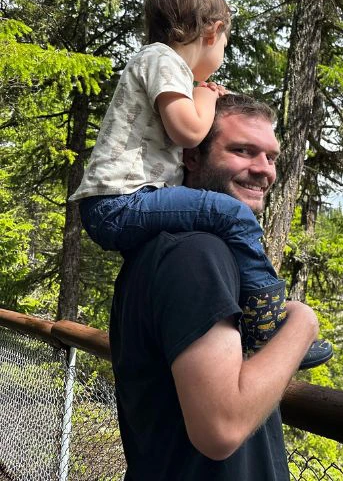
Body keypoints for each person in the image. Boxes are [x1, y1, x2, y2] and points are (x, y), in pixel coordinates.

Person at [70, 0, 330, 367]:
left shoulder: (160, 65)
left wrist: (200, 92)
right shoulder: (162, 58)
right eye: (226, 42)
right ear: (214, 30)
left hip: (121, 203)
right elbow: (190, 132)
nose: (223, 51)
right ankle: (269, 322)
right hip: (120, 202)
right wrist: (205, 95)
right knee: (231, 213)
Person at [110, 93, 318, 479]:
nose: (264, 170)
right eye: (242, 150)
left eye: (271, 157)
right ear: (191, 157)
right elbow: (221, 428)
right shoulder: (196, 254)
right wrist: (303, 323)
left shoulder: (162, 247)